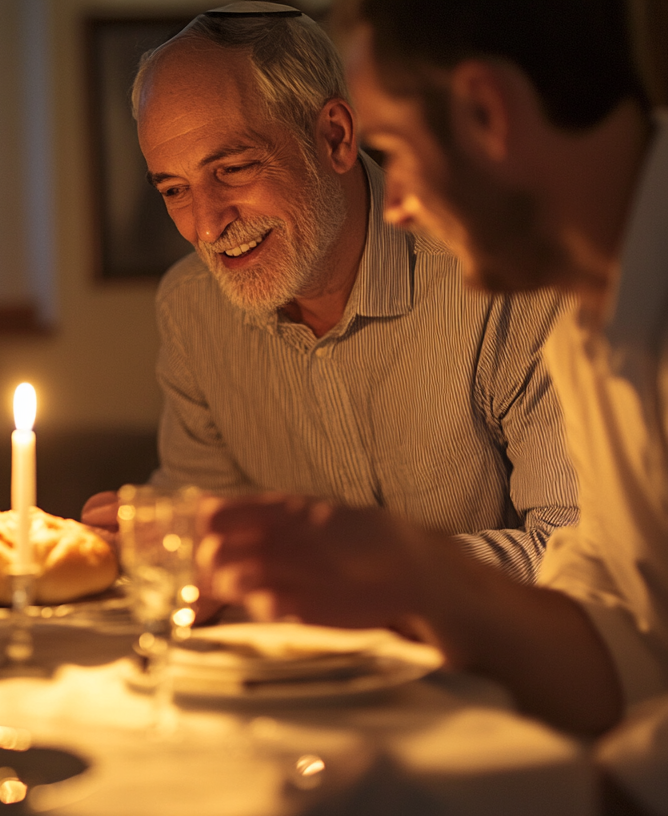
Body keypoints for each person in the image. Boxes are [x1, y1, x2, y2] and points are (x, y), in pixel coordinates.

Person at [197, 0, 668, 806]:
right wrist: (424, 580)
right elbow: (627, 655)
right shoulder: (592, 322)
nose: (401, 205)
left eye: (398, 153)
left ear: (487, 112)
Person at [80, 1, 578, 583]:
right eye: (173, 189)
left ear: (336, 137)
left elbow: (577, 555)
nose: (207, 226)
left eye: (234, 169)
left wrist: (339, 564)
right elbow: (205, 537)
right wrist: (159, 541)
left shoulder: (502, 277)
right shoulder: (192, 308)